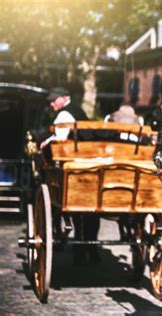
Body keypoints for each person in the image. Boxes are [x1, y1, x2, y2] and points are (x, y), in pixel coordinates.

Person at [42, 87, 100, 264]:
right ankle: (91, 248)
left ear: (64, 97)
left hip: (77, 164)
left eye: (54, 100)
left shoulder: (64, 115)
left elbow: (60, 138)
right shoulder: (78, 110)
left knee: (78, 209)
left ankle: (80, 249)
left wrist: (45, 142)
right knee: (92, 212)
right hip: (92, 161)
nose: (52, 104)